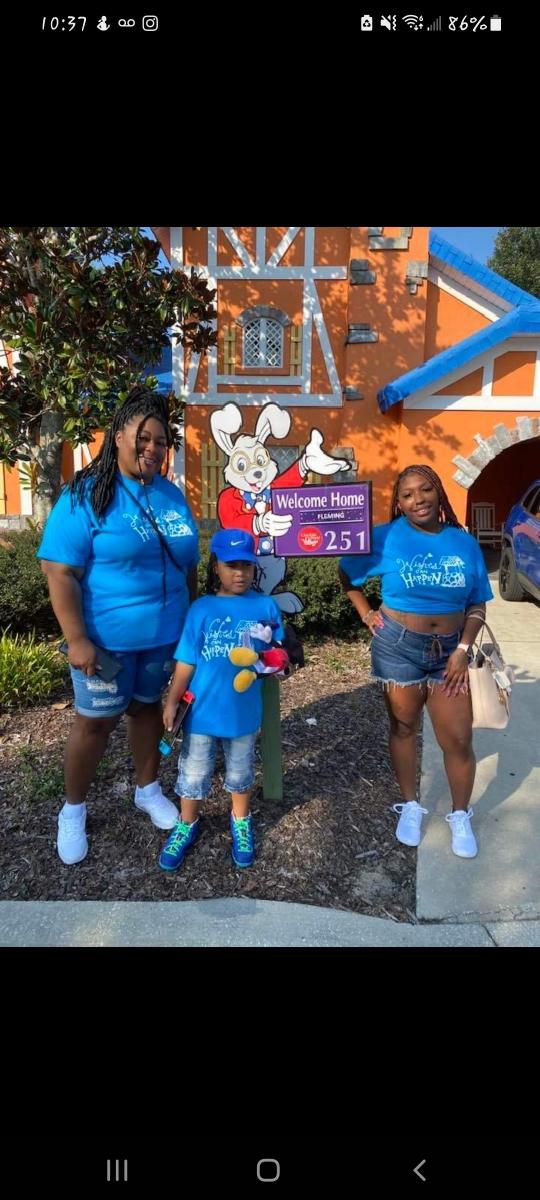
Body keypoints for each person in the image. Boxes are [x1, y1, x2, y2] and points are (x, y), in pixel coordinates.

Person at [37, 386, 199, 865]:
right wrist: (77, 640)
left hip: (164, 639)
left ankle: (146, 789)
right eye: (142, 438)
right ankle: (73, 810)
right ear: (118, 435)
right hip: (104, 643)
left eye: (161, 442)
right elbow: (59, 570)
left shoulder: (171, 495)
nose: (151, 449)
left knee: (148, 712)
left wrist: (189, 626)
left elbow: (188, 562)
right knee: (97, 723)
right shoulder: (87, 493)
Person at [339, 465, 494, 859]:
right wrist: (365, 612)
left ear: (439, 493)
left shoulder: (463, 542)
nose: (418, 499)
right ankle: (410, 805)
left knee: (458, 739)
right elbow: (347, 572)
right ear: (398, 502)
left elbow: (477, 603)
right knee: (403, 727)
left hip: (450, 656)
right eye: (407, 494)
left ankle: (460, 814)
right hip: (397, 647)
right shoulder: (385, 537)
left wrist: (462, 650)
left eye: (425, 489)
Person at [158, 527, 286, 872]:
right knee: (194, 772)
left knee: (241, 770)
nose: (239, 573)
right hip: (200, 712)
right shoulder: (201, 609)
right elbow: (187, 660)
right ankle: (187, 823)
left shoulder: (265, 606)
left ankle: (240, 820)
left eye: (245, 565)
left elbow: (278, 655)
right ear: (216, 566)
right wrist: (171, 701)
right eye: (231, 565)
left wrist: (274, 658)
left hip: (243, 713)